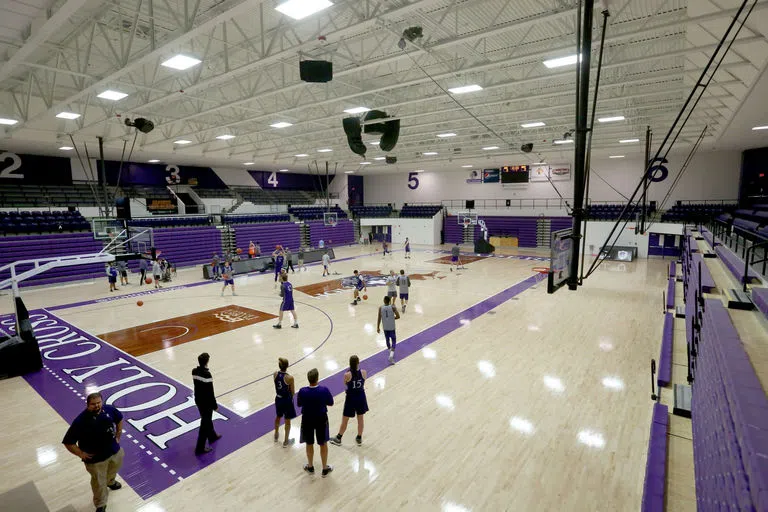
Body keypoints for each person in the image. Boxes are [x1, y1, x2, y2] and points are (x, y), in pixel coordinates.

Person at [62, 392, 124, 512]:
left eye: (99, 403)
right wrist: (81, 453)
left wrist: (118, 433)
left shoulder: (109, 410)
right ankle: (101, 504)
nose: (96, 406)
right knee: (99, 483)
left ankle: (110, 482)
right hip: (96, 459)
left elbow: (119, 418)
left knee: (113, 470)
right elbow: (68, 442)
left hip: (114, 451)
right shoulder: (80, 421)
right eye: (93, 404)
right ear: (87, 405)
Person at [296, 368, 334, 477]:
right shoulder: (324, 390)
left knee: (309, 443)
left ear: (308, 379)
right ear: (317, 378)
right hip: (321, 419)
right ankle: (324, 469)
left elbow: (299, 404)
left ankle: (311, 467)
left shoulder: (302, 391)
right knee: (323, 443)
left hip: (307, 419)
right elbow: (331, 403)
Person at [330, 355, 368, 446]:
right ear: (358, 362)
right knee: (360, 418)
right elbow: (363, 381)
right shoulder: (364, 372)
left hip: (351, 398)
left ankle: (338, 438)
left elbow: (345, 383)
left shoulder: (347, 374)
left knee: (345, 419)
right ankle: (359, 437)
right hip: (361, 397)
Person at [192, 353, 222, 455]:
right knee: (205, 423)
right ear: (207, 362)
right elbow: (210, 392)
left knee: (206, 419)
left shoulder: (194, 371)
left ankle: (212, 436)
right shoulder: (207, 375)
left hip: (198, 400)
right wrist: (215, 405)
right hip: (207, 403)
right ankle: (199, 448)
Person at [273, 357, 296, 447]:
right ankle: (286, 441)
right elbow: (293, 392)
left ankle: (276, 435)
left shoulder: (275, 374)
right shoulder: (289, 378)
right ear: (287, 366)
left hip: (278, 398)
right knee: (287, 420)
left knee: (278, 416)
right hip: (286, 400)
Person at [377, 296, 400, 364]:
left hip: (385, 327)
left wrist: (377, 327)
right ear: (390, 301)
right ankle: (391, 356)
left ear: (384, 300)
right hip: (392, 327)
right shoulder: (393, 307)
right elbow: (398, 316)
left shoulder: (380, 308)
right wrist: (393, 318)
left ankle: (390, 352)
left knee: (387, 340)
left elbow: (379, 318)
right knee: (393, 341)